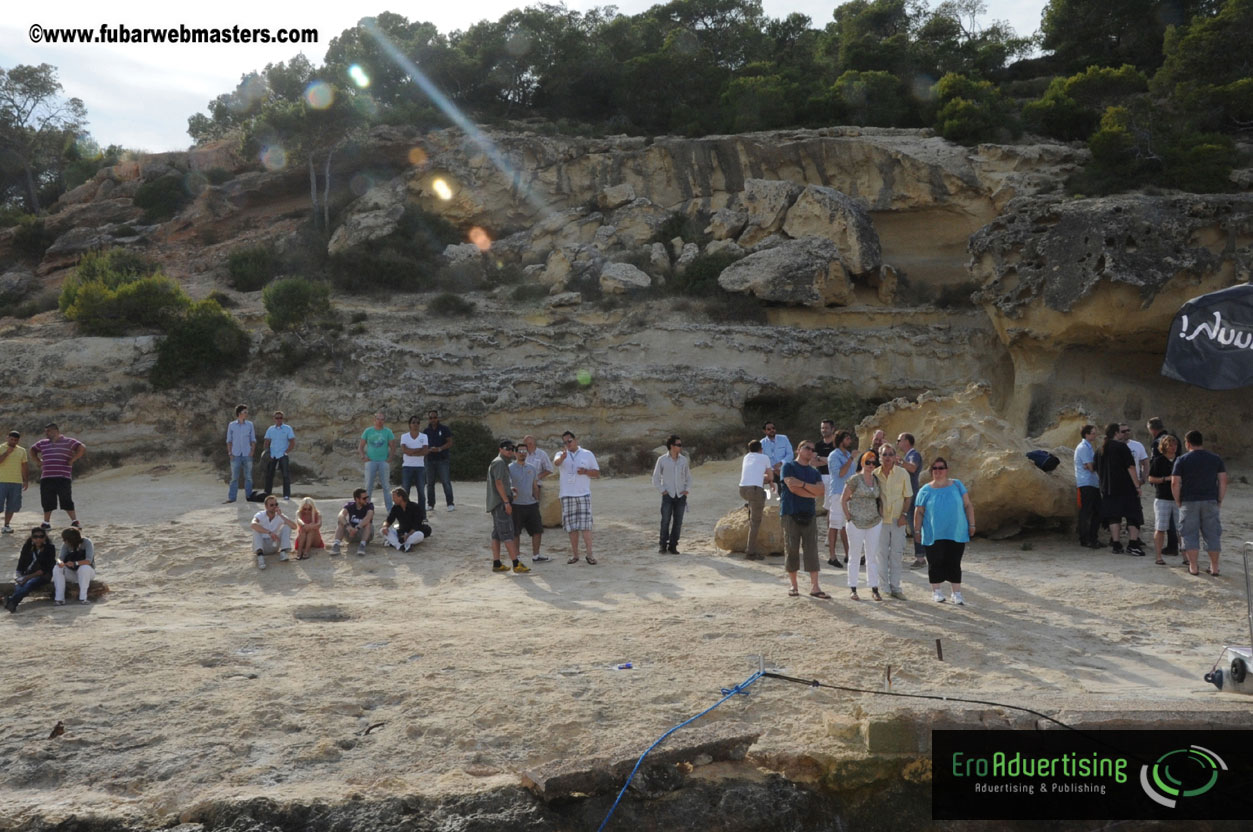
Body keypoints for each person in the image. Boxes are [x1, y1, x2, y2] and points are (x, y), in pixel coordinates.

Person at [913, 457, 975, 605]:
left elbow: (968, 505)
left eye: (941, 468)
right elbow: (919, 511)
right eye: (934, 468)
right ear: (931, 471)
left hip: (956, 531)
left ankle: (957, 593)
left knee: (954, 561)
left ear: (946, 470)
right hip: (933, 532)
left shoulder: (957, 485)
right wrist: (916, 531)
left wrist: (972, 524)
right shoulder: (925, 490)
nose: (938, 471)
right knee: (935, 561)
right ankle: (936, 591)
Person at [1172, 430, 1227, 577]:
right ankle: (1214, 567)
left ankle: (1194, 566)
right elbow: (1222, 481)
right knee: (1212, 534)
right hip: (1210, 500)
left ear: (1188, 443)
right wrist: (1219, 499)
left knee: (1189, 534)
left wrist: (1178, 500)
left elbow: (1175, 483)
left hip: (1189, 501)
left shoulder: (1182, 460)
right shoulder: (1215, 459)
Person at [781, 441, 829, 599]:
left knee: (812, 550)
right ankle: (793, 586)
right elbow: (792, 488)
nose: (810, 451)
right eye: (807, 448)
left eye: (812, 449)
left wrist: (802, 484)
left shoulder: (814, 471)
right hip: (790, 512)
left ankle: (815, 586)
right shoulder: (788, 466)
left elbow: (821, 491)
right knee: (791, 548)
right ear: (798, 450)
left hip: (809, 513)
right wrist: (811, 491)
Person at [841, 451, 883, 602]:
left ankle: (874, 588)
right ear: (862, 463)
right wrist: (848, 517)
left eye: (874, 463)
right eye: (868, 462)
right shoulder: (855, 480)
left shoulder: (876, 480)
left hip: (874, 522)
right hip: (856, 523)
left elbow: (879, 499)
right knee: (854, 555)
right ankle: (853, 588)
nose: (871, 465)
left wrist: (880, 515)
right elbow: (844, 499)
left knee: (872, 556)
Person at [1097, 423, 1145, 556]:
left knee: (1114, 517)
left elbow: (1096, 468)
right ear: (1116, 433)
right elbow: (1131, 467)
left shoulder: (1100, 449)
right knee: (1133, 516)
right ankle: (1133, 544)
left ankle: (1116, 544)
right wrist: (1137, 486)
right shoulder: (1121, 447)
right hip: (1126, 488)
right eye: (1121, 432)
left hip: (1108, 489)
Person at [554, 430, 600, 564]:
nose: (567, 444)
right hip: (567, 495)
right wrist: (562, 458)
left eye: (569, 441)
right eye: (565, 442)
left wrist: (585, 471)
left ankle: (590, 554)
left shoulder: (587, 454)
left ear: (576, 440)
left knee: (586, 526)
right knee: (572, 527)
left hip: (583, 494)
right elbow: (556, 463)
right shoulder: (561, 454)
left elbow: (596, 473)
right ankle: (575, 555)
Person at [875, 444, 914, 600]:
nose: (888, 457)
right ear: (880, 457)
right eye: (885, 454)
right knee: (881, 554)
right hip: (881, 521)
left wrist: (904, 514)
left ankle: (896, 587)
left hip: (898, 519)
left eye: (891, 454)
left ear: (895, 456)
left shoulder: (903, 473)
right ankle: (883, 587)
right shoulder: (874, 474)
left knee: (896, 554)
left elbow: (908, 496)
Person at [30, 422, 86, 529]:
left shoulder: (68, 441)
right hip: (46, 477)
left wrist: (73, 459)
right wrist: (38, 461)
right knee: (47, 500)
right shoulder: (43, 443)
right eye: (46, 432)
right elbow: (32, 450)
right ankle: (46, 522)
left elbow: (82, 447)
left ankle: (75, 521)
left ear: (55, 431)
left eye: (48, 431)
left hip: (63, 476)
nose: (46, 434)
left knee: (66, 499)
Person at [487, 439, 529, 573]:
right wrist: (506, 502)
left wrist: (510, 490)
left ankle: (497, 563)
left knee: (497, 534)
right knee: (507, 533)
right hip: (500, 504)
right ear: (500, 449)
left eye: (512, 449)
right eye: (507, 448)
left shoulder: (502, 463)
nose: (510, 451)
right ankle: (516, 563)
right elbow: (498, 483)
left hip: (497, 502)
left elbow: (500, 483)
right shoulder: (499, 463)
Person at [652, 434, 692, 554]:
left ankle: (673, 546)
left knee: (678, 522)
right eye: (678, 445)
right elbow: (655, 477)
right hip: (667, 495)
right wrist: (662, 491)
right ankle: (663, 545)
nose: (680, 447)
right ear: (671, 446)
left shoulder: (684, 460)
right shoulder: (662, 460)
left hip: (680, 496)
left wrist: (687, 490)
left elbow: (688, 477)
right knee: (665, 521)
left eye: (680, 444)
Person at [1147, 417, 1181, 556]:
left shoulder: (1158, 443)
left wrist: (1163, 479)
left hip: (1167, 491)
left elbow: (1153, 467)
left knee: (1167, 523)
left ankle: (1173, 547)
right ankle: (1170, 548)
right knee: (1170, 523)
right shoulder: (1175, 439)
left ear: (1152, 430)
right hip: (1170, 489)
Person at [4, 527, 56, 613]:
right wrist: (20, 575)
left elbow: (45, 568)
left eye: (41, 536)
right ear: (32, 538)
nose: (38, 539)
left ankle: (11, 602)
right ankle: (11, 603)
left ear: (45, 538)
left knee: (29, 584)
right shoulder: (27, 547)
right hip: (27, 573)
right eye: (35, 537)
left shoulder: (49, 548)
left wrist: (27, 577)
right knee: (19, 586)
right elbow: (21, 562)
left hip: (43, 575)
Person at [511, 443, 547, 562]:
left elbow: (535, 486)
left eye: (524, 451)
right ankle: (517, 557)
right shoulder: (509, 468)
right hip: (516, 505)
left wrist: (536, 500)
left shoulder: (532, 468)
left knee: (537, 530)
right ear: (515, 453)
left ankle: (536, 555)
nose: (523, 454)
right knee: (516, 532)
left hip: (531, 504)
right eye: (520, 451)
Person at [738, 440, 772, 561]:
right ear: (760, 449)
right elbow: (770, 477)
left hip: (742, 489)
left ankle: (750, 507)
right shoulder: (764, 457)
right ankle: (751, 552)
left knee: (755, 499)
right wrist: (770, 481)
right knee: (755, 523)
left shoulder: (746, 457)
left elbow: (752, 473)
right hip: (754, 490)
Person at [825, 429, 855, 568]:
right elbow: (840, 473)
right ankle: (832, 556)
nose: (849, 441)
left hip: (849, 494)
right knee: (834, 525)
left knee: (846, 525)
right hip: (837, 493)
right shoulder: (834, 455)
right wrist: (850, 460)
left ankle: (848, 555)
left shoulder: (848, 454)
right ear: (841, 440)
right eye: (847, 438)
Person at [897, 433, 926, 568]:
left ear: (907, 441)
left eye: (899, 440)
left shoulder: (914, 455)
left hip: (912, 495)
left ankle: (920, 558)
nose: (898, 443)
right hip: (909, 494)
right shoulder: (909, 455)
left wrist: (901, 462)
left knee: (916, 526)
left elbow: (913, 468)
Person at [359, 411, 396, 514]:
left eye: (382, 419)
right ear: (374, 420)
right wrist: (363, 456)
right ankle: (367, 508)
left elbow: (393, 446)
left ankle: (389, 509)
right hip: (370, 461)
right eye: (378, 419)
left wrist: (390, 458)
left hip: (383, 462)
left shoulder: (388, 432)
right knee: (368, 486)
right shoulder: (368, 431)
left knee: (386, 486)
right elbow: (361, 446)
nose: (380, 421)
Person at [1073, 424, 1102, 550]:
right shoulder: (1083, 447)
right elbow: (1090, 467)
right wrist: (1093, 466)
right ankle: (1085, 539)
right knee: (1086, 511)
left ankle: (1093, 537)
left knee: (1098, 511)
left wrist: (1092, 466)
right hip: (1086, 483)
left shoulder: (1089, 447)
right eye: (1093, 433)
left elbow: (1091, 466)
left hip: (1092, 482)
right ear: (1087, 434)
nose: (1095, 435)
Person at [250, 495, 297, 569]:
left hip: (274, 544)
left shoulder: (279, 516)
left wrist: (281, 515)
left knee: (287, 526)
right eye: (271, 505)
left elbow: (294, 527)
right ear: (266, 506)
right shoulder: (261, 514)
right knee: (256, 529)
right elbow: (253, 524)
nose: (274, 506)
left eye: (276, 504)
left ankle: (283, 552)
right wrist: (269, 532)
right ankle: (260, 558)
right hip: (262, 546)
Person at [53, 527, 95, 605]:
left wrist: (75, 563)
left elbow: (89, 561)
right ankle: (59, 599)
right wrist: (60, 563)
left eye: (65, 539)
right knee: (57, 568)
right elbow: (59, 558)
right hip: (72, 573)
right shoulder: (65, 545)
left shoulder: (87, 542)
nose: (64, 541)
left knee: (84, 568)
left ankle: (83, 598)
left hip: (87, 572)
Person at [399, 415, 431, 515]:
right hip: (407, 467)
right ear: (409, 424)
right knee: (405, 492)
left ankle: (422, 515)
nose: (416, 424)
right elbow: (404, 450)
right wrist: (418, 450)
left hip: (420, 467)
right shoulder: (404, 436)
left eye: (417, 422)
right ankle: (404, 514)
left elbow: (425, 451)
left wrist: (411, 452)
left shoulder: (424, 436)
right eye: (413, 422)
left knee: (421, 492)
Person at [424, 410, 455, 511]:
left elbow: (450, 442)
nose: (433, 420)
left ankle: (450, 503)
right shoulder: (426, 431)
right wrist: (428, 450)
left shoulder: (444, 429)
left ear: (438, 418)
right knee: (430, 484)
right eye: (431, 418)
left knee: (446, 482)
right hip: (430, 460)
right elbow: (423, 445)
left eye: (434, 417)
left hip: (442, 459)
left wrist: (440, 448)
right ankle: (430, 504)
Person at [224, 405, 255, 503]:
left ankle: (249, 497)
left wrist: (252, 451)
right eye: (245, 412)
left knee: (248, 477)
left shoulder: (250, 424)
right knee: (234, 477)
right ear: (239, 413)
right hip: (235, 454)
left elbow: (253, 439)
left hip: (247, 453)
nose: (246, 414)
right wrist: (230, 453)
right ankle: (232, 498)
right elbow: (229, 440)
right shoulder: (232, 425)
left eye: (246, 412)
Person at [1, 429, 29, 534]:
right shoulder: (1, 448)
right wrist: (6, 453)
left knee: (12, 505)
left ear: (18, 441)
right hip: (1, 481)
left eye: (15, 440)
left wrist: (26, 480)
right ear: (7, 438)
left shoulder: (22, 450)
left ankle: (6, 525)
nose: (13, 442)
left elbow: (24, 465)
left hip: (16, 482)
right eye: (11, 439)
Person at [262, 411, 296, 500]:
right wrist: (267, 451)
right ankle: (267, 494)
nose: (278, 419)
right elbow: (266, 441)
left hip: (282, 454)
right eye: (277, 418)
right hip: (272, 454)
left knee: (285, 475)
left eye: (280, 418)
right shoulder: (270, 429)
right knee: (269, 474)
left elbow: (292, 441)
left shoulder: (287, 428)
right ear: (274, 419)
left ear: (283, 418)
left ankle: (286, 495)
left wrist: (287, 451)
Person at [332, 489, 375, 557]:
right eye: (364, 498)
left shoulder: (369, 505)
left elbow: (368, 517)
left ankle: (362, 545)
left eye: (367, 497)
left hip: (364, 533)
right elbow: (340, 515)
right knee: (341, 521)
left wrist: (357, 528)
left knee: (368, 523)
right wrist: (348, 526)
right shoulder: (350, 505)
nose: (366, 500)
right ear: (357, 499)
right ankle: (336, 544)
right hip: (351, 534)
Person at [384, 487, 427, 552]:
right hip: (401, 532)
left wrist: (408, 535)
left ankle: (395, 543)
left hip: (413, 533)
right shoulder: (395, 508)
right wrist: (385, 527)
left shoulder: (415, 507)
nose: (393, 500)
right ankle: (401, 546)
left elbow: (416, 525)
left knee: (420, 535)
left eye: (394, 497)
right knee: (382, 530)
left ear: (400, 497)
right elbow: (389, 520)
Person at [760, 421, 793, 498]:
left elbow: (790, 454)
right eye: (769, 429)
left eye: (773, 428)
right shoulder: (761, 443)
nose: (772, 430)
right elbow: (762, 460)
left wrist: (781, 464)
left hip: (785, 468)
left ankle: (785, 501)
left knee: (784, 482)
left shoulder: (784, 439)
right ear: (764, 431)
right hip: (771, 471)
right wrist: (772, 470)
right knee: (757, 479)